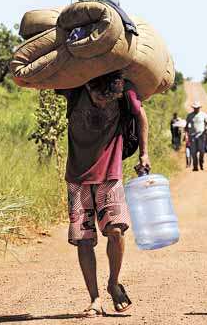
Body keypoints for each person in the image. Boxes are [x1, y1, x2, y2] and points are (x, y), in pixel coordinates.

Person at [57, 71, 150, 317]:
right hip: (77, 175)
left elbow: (141, 117)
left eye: (110, 99)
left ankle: (113, 282)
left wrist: (144, 154)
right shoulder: (73, 86)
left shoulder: (125, 90)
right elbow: (42, 80)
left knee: (116, 230)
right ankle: (95, 298)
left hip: (110, 172)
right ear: (89, 86)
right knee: (84, 239)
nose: (104, 102)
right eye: (100, 98)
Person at [185, 101, 207, 171]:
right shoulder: (190, 115)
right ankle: (195, 166)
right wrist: (186, 135)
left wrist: (206, 129)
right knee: (193, 151)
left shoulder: (203, 115)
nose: (196, 109)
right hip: (192, 135)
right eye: (195, 108)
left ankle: (201, 162)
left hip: (201, 135)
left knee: (202, 151)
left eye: (197, 108)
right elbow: (186, 126)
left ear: (199, 108)